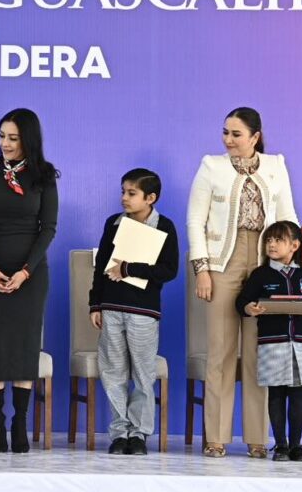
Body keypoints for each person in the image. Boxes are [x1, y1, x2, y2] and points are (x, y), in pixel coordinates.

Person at [186, 106, 298, 459]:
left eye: (236, 134)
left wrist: (295, 259)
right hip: (222, 262)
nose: (228, 140)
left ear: (255, 136)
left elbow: (287, 217)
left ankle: (257, 438)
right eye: (225, 133)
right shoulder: (210, 166)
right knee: (219, 351)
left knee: (257, 353)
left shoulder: (276, 165)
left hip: (266, 264)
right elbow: (194, 222)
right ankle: (216, 437)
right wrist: (202, 269)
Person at [0, 109, 59, 453]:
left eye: (13, 138)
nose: (4, 143)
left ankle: (20, 421)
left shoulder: (45, 176)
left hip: (30, 275)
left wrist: (25, 272)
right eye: (1, 136)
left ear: (28, 140)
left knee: (23, 345)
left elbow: (48, 228)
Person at [89, 168, 178, 456]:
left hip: (144, 311)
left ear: (150, 198)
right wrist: (95, 303)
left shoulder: (165, 226)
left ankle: (138, 434)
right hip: (112, 309)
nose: (124, 198)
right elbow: (101, 265)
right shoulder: (113, 224)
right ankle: (119, 432)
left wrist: (129, 269)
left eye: (131, 193)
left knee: (142, 373)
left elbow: (169, 270)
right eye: (123, 191)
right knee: (113, 372)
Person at [237, 221, 302, 463]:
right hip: (272, 343)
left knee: (299, 394)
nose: (272, 244)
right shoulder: (261, 275)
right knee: (276, 394)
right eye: (268, 240)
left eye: (278, 240)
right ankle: (280, 445)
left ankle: (297, 445)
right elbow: (241, 302)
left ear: (295, 245)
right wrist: (250, 308)